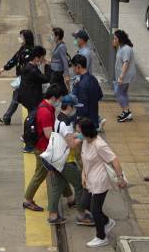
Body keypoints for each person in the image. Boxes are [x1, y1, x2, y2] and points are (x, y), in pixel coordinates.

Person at [78, 118, 127, 248]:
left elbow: (114, 159)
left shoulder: (99, 144)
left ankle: (101, 237)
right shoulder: (85, 141)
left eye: (79, 130)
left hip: (100, 181)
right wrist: (83, 174)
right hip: (89, 180)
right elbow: (85, 160)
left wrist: (120, 178)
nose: (77, 132)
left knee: (95, 210)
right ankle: (107, 221)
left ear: (85, 132)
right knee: (85, 204)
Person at [46, 94, 93, 225]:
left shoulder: (58, 118)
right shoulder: (65, 123)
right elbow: (72, 144)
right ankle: (82, 214)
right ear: (70, 107)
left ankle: (53, 216)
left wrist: (75, 135)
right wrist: (83, 136)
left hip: (56, 160)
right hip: (66, 161)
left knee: (58, 187)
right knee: (80, 184)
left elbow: (65, 137)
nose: (76, 110)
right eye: (75, 107)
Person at [23, 84, 67, 213]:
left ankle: (69, 197)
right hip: (44, 149)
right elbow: (48, 134)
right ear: (53, 97)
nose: (59, 102)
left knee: (59, 171)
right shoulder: (46, 112)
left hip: (43, 147)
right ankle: (27, 200)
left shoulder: (45, 106)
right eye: (59, 99)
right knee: (40, 175)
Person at [0, 29, 34, 125]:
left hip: (26, 80)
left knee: (24, 100)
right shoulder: (22, 48)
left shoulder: (29, 51)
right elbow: (14, 59)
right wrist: (4, 68)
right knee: (17, 98)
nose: (20, 38)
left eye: (21, 37)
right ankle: (7, 117)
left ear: (26, 38)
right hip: (21, 79)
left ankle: (32, 119)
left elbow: (27, 66)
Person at [71, 54, 103, 130]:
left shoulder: (82, 84)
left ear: (78, 66)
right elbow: (100, 95)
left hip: (85, 124)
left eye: (73, 67)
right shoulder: (93, 78)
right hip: (94, 118)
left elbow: (82, 108)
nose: (73, 69)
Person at [112, 30, 135, 122]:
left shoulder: (125, 49)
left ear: (120, 39)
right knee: (123, 93)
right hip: (124, 75)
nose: (114, 40)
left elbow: (126, 62)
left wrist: (121, 76)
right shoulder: (121, 47)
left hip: (125, 75)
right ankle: (126, 111)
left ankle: (126, 112)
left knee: (118, 93)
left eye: (115, 38)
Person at [49, 27, 71, 95]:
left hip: (57, 71)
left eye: (52, 35)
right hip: (54, 70)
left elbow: (64, 60)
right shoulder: (57, 45)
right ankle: (68, 97)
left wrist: (66, 74)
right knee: (62, 87)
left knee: (51, 88)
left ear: (57, 36)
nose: (51, 37)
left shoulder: (61, 47)